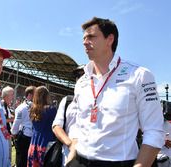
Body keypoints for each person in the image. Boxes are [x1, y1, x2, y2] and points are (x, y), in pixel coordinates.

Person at [66, 17, 165, 167]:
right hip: (79, 161)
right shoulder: (82, 82)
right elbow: (76, 122)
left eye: (91, 36)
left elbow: (154, 132)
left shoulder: (139, 75)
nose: (84, 42)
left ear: (109, 39)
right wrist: (73, 149)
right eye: (84, 38)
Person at [52, 66, 84, 166]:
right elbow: (56, 126)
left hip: (91, 156)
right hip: (67, 155)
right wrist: (70, 144)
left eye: (85, 75)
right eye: (78, 76)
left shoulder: (100, 102)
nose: (81, 79)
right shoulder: (67, 101)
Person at [27, 86, 57, 167]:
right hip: (46, 144)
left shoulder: (32, 109)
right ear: (47, 96)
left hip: (33, 144)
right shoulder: (51, 109)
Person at [11, 85, 36, 167]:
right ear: (30, 95)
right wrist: (14, 134)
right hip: (26, 137)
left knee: (23, 160)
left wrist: (14, 134)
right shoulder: (22, 108)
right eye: (35, 94)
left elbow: (15, 126)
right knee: (24, 160)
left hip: (28, 137)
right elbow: (16, 123)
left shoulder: (21, 107)